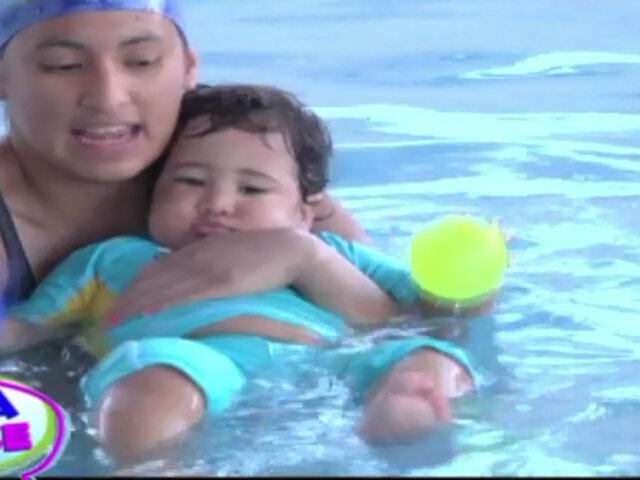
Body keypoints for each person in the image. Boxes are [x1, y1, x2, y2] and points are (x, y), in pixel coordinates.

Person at [2, 84, 491, 465]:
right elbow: (29, 328)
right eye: (191, 181)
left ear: (304, 213)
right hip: (196, 358)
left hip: (334, 362)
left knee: (426, 356)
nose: (217, 204)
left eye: (252, 190)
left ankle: (407, 403)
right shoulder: (113, 258)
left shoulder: (334, 251)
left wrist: (470, 272)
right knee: (144, 382)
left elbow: (433, 310)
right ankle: (152, 464)